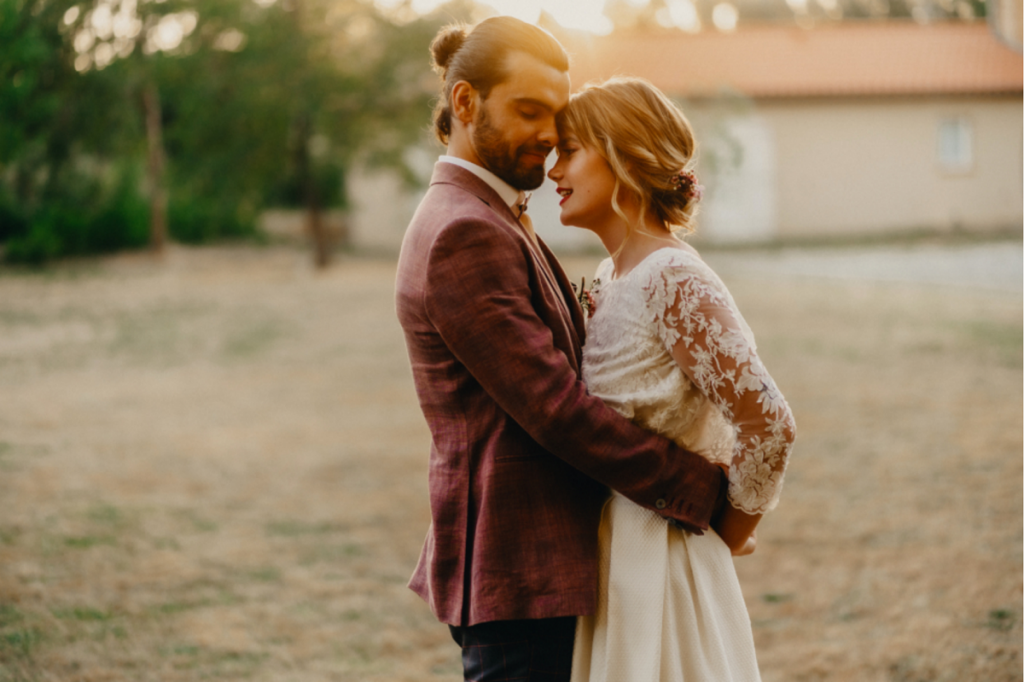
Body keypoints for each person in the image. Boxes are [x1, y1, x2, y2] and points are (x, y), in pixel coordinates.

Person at [394, 18, 727, 682]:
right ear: (465, 103)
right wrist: (696, 488)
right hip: (520, 567)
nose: (548, 134)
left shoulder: (489, 213)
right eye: (527, 110)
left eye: (554, 113)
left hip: (542, 567)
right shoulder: (464, 230)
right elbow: (554, 408)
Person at [546, 76, 797, 681]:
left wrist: (729, 532)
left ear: (623, 156)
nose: (553, 169)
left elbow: (769, 423)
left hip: (661, 556)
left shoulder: (673, 278)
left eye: (571, 150)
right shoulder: (611, 277)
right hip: (607, 557)